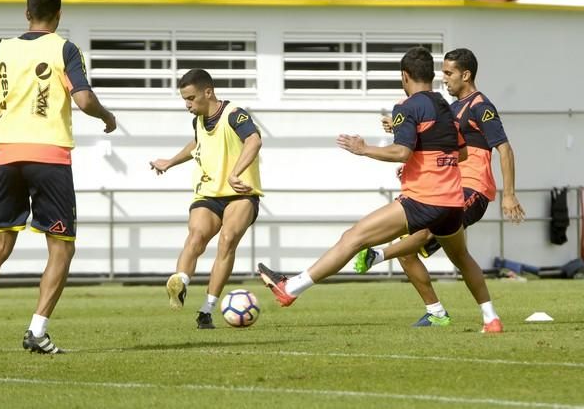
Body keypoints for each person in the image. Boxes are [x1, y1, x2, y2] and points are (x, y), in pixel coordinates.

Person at [258, 46, 504, 333]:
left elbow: (401, 152)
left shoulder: (408, 106)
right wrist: (422, 161)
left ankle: (292, 288)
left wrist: (364, 149)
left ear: (405, 76)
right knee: (462, 258)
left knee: (353, 237)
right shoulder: (445, 108)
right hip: (452, 203)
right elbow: (460, 155)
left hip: (423, 200)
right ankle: (491, 319)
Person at [0, 0, 117, 353]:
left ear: (27, 13)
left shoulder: (3, 49)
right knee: (61, 248)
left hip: (7, 156)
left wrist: (7, 121)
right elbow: (83, 98)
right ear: (59, 15)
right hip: (49, 157)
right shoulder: (65, 48)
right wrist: (107, 117)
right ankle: (37, 331)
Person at [353, 48, 525, 327]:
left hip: (474, 190)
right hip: (450, 188)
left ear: (465, 75)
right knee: (408, 254)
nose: (443, 79)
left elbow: (504, 149)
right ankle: (436, 312)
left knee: (428, 234)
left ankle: (376, 255)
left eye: (449, 73)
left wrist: (509, 194)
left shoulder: (481, 106)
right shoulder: (451, 108)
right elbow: (440, 148)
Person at [150, 68, 263, 329]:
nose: (187, 105)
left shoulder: (234, 114)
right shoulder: (198, 120)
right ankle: (180, 284)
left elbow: (254, 141)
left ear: (208, 92)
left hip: (240, 192)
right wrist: (170, 161)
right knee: (196, 236)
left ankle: (207, 309)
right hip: (208, 192)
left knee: (227, 241)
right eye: (184, 100)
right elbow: (197, 144)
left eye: (191, 98)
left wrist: (236, 173)